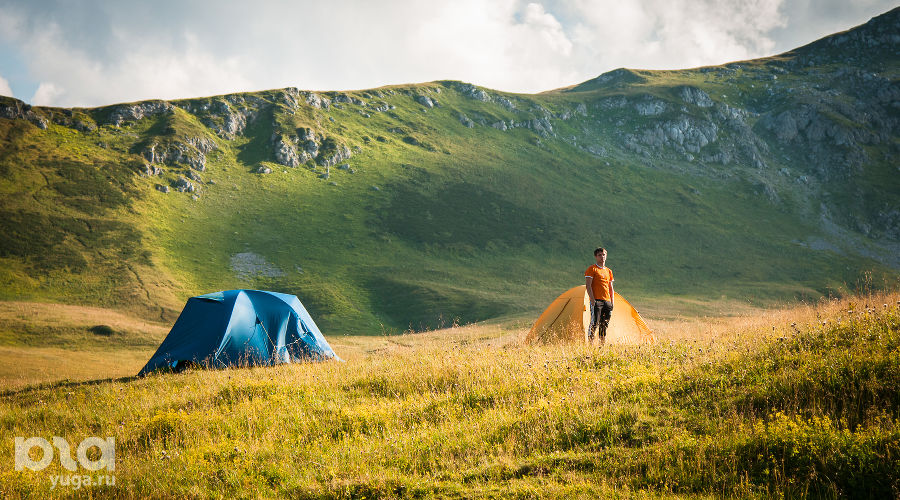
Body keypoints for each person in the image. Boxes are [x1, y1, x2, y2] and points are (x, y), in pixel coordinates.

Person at [585, 247, 614, 345]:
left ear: (606, 256)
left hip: (607, 301)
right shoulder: (592, 269)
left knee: (604, 324)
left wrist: (612, 302)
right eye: (599, 255)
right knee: (594, 323)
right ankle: (590, 344)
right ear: (596, 257)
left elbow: (610, 288)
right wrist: (592, 300)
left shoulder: (609, 271)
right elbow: (588, 285)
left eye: (603, 255)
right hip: (597, 301)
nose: (602, 257)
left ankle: (602, 345)